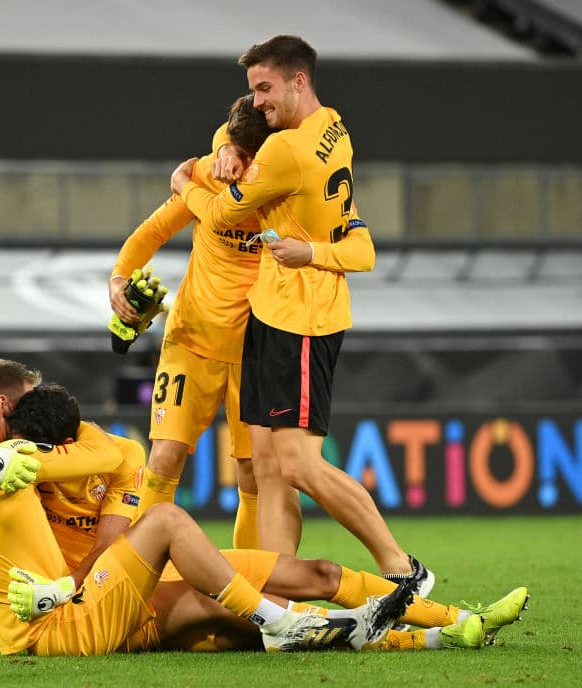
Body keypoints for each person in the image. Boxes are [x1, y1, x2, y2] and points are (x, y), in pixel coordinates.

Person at [0, 360, 528, 655]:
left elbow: (108, 529)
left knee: (317, 575)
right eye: (24, 404)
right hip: (101, 603)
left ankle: (453, 618)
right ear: (3, 410)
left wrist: (37, 466)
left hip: (116, 577)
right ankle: (422, 642)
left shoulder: (102, 450)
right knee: (231, 599)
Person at [170, 34, 427, 591]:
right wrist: (229, 145)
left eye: (265, 88)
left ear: (298, 81)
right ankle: (276, 597)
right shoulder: (330, 125)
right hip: (271, 310)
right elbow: (240, 131)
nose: (259, 101)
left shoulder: (286, 152)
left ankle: (402, 567)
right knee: (265, 469)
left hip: (303, 320)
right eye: (254, 91)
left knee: (298, 466)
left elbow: (217, 216)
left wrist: (185, 184)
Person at [109, 94, 271, 549]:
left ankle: (248, 594)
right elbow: (155, 229)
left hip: (256, 350)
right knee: (163, 459)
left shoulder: (285, 186)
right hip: (190, 339)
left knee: (252, 473)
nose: (242, 165)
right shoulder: (208, 173)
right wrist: (119, 278)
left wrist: (223, 147)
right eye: (239, 153)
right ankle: (138, 582)